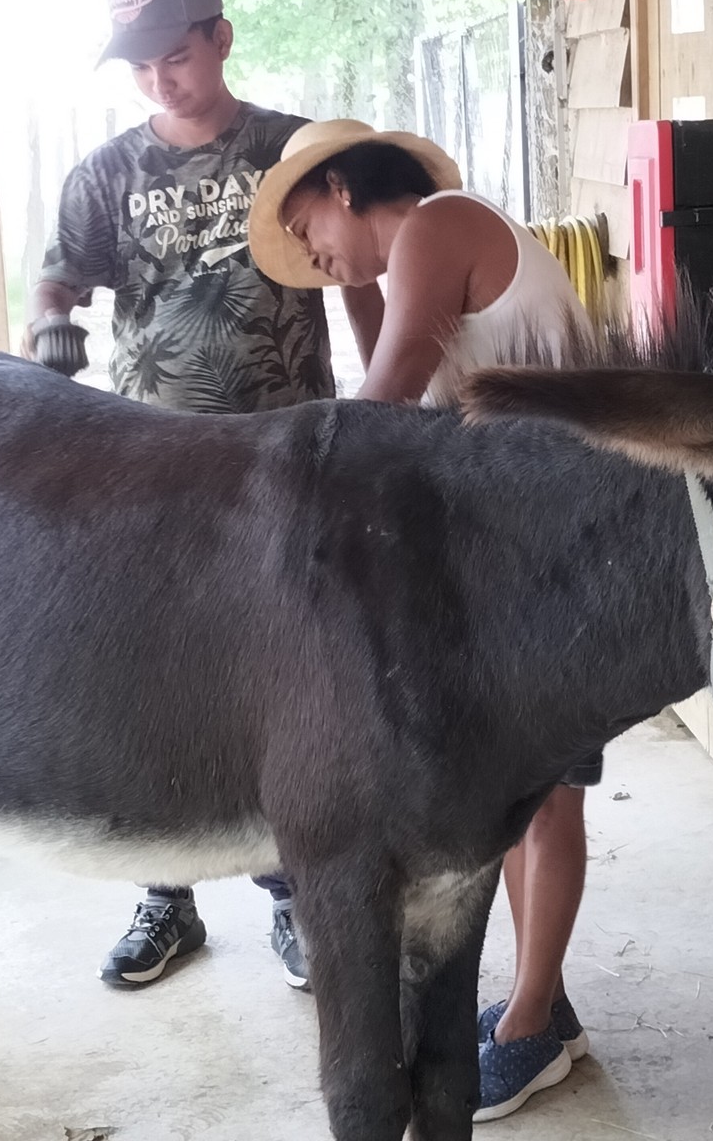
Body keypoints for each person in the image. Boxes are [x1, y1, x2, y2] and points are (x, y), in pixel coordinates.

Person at [25, 0, 377, 992]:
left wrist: (381, 401)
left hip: (285, 463)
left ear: (220, 38)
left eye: (174, 56)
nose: (158, 80)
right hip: (151, 471)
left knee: (280, 678)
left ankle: (286, 893)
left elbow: (357, 267)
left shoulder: (290, 152)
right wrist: (49, 334)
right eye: (138, 66)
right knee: (154, 677)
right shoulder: (102, 173)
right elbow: (57, 281)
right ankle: (163, 897)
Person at [250, 120, 597, 1122]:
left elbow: (382, 409)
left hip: (556, 542)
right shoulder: (416, 257)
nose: (308, 253)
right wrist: (353, 280)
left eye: (307, 221)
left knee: (547, 796)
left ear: (348, 187)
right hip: (530, 533)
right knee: (523, 795)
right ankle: (544, 998)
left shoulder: (441, 227)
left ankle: (533, 1025)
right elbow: (393, 383)